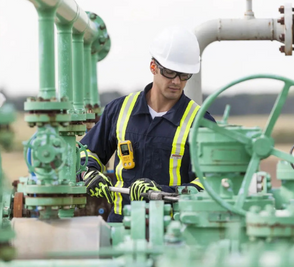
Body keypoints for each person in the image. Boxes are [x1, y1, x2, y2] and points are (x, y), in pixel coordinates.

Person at [80, 26, 216, 222]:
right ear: (153, 67)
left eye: (184, 75)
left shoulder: (200, 122)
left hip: (174, 230)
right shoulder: (119, 110)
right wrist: (88, 172)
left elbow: (211, 182)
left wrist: (164, 193)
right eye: (170, 72)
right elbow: (86, 152)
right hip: (121, 225)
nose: (177, 81)